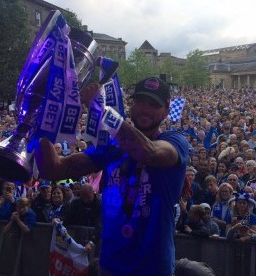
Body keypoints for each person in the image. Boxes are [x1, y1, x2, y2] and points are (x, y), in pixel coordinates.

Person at [35, 77, 189, 275]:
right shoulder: (112, 148)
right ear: (131, 105)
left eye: (154, 104)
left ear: (166, 112)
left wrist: (101, 111)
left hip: (152, 268)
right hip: (110, 266)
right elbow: (54, 169)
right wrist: (41, 126)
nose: (145, 109)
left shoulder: (175, 142)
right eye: (140, 101)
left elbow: (148, 152)